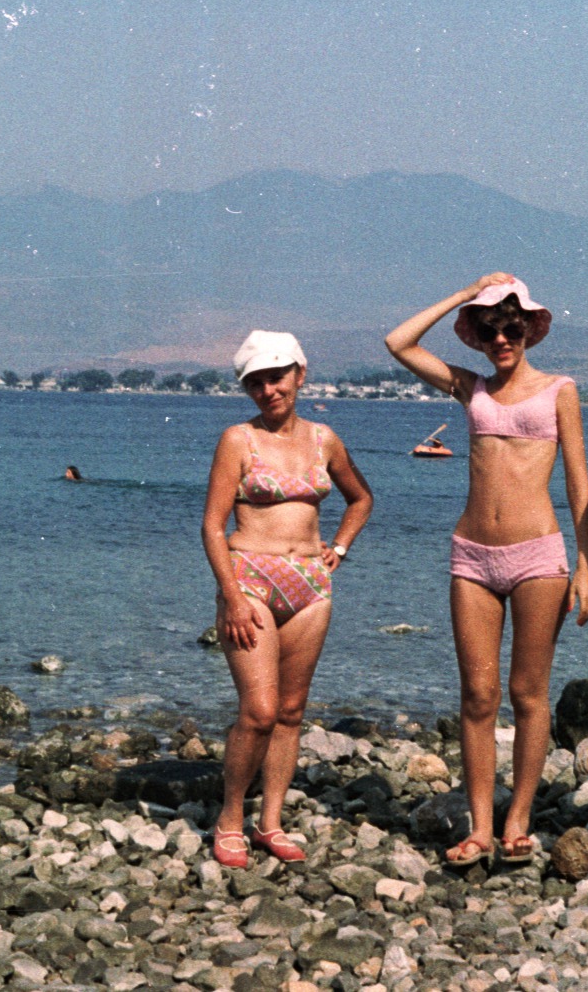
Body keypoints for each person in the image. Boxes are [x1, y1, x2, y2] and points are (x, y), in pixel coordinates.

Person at [385, 273, 588, 868]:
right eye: (490, 328)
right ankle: (481, 825)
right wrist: (462, 295)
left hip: (539, 556)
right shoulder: (470, 388)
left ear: (530, 328)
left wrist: (587, 566)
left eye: (512, 326)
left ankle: (519, 819)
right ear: (478, 336)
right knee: (478, 694)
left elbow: (579, 483)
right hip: (472, 556)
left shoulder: (560, 390)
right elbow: (398, 343)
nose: (502, 337)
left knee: (528, 693)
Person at [202, 330, 373, 867]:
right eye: (256, 383)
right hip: (249, 578)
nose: (268, 390)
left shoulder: (325, 440)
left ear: (300, 373)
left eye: (276, 377)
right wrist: (230, 596)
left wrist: (339, 547)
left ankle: (269, 822)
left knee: (292, 712)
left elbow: (361, 497)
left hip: (311, 586)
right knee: (259, 710)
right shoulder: (238, 440)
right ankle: (231, 817)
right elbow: (211, 525)